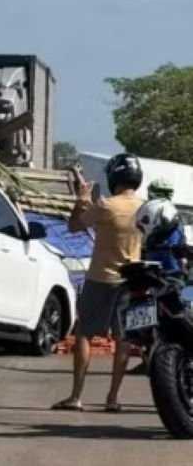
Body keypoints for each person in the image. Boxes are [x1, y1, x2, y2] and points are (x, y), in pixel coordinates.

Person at [52, 153, 143, 413]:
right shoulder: (143, 207)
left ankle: (76, 396)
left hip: (101, 278)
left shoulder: (106, 206)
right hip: (130, 280)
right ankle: (112, 398)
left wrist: (81, 198)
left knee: (84, 334)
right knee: (122, 339)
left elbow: (74, 226)